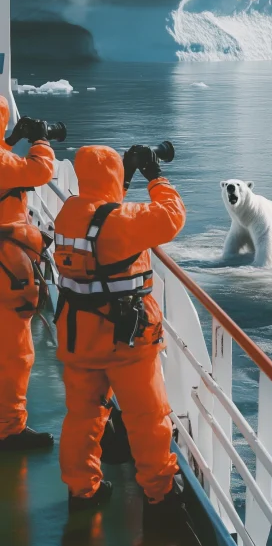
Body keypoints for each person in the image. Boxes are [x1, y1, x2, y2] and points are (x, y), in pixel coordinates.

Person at [53, 143, 186, 524]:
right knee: (148, 419)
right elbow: (172, 216)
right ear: (114, 175)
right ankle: (159, 496)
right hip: (125, 340)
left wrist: (121, 181)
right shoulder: (125, 221)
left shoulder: (68, 214)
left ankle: (83, 491)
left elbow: (101, 212)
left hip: (79, 336)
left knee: (82, 416)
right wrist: (156, 176)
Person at [0, 95, 55, 450]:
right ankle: (9, 429)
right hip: (6, 273)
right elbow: (40, 171)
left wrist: (8, 143)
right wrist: (41, 141)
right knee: (15, 354)